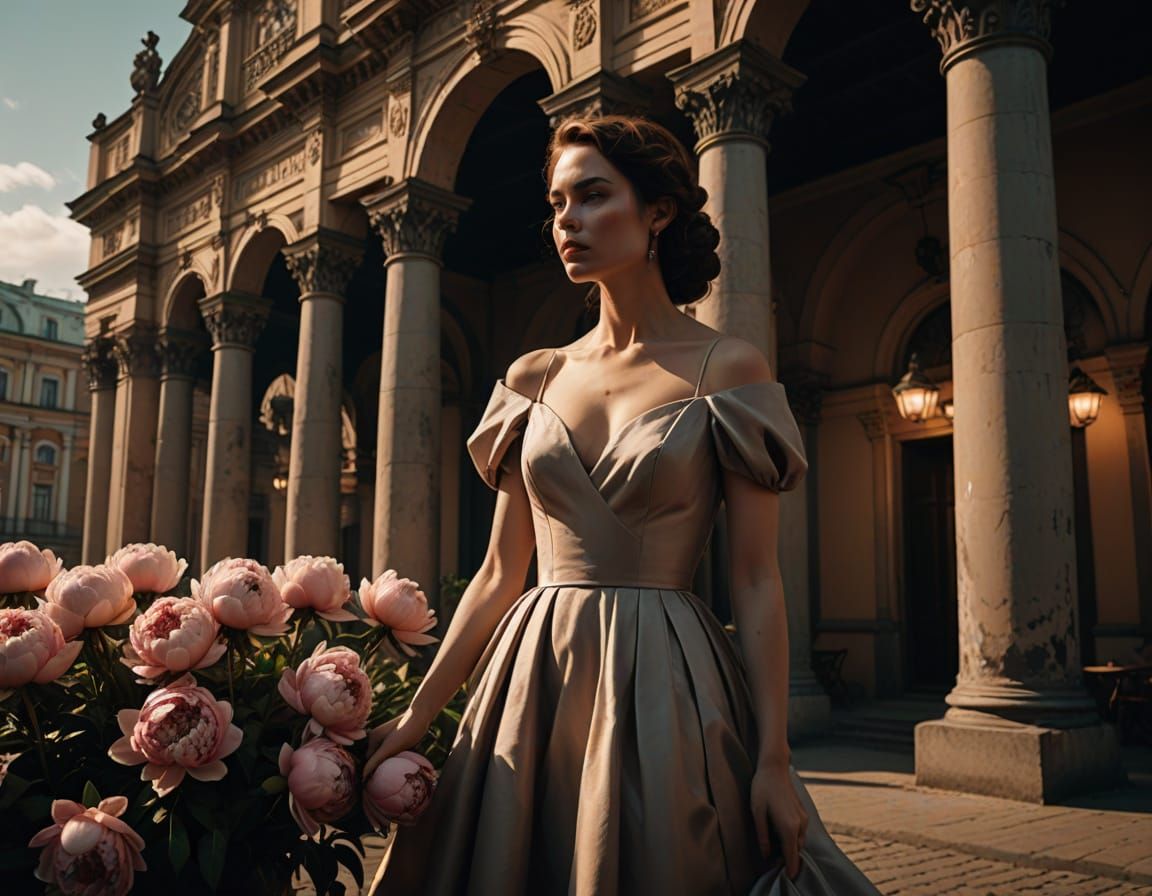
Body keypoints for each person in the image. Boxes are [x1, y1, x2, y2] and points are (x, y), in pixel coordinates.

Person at [366, 116, 881, 895]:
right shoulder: (531, 376)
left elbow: (755, 578)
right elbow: (500, 573)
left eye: (593, 196)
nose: (566, 221)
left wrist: (774, 759)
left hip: (669, 682)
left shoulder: (727, 368)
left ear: (659, 211)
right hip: (532, 678)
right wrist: (418, 716)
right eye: (556, 202)